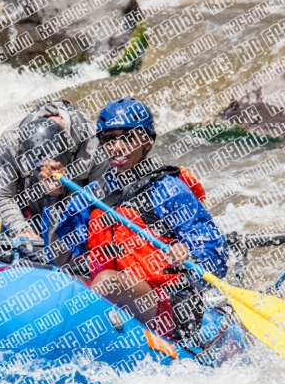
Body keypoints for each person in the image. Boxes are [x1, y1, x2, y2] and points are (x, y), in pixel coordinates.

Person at [40, 98, 228, 343]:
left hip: (170, 305)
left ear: (147, 141)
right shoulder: (94, 195)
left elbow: (216, 253)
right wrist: (54, 197)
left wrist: (189, 255)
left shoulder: (169, 189)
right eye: (109, 139)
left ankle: (76, 340)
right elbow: (60, 256)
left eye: (128, 138)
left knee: (109, 283)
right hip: (113, 302)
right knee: (58, 283)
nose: (117, 147)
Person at [0, 100, 108, 239]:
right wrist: (22, 230)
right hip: (27, 214)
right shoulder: (11, 140)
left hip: (75, 217)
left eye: (55, 164)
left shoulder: (94, 141)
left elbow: (101, 200)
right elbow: (3, 195)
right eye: (42, 166)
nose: (47, 171)